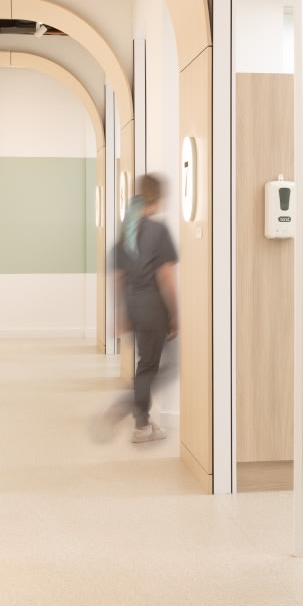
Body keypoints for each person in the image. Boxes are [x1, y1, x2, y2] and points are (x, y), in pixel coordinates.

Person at [114, 174, 178, 443]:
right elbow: (166, 277)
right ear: (160, 197)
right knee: (162, 365)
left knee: (147, 364)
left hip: (134, 305)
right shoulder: (158, 230)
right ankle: (138, 418)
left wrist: (122, 313)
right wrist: (175, 312)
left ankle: (144, 420)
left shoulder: (128, 227)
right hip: (153, 307)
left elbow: (119, 276)